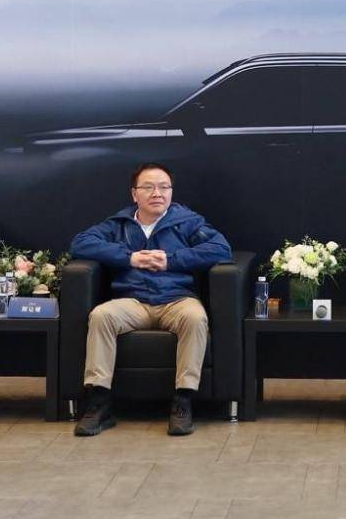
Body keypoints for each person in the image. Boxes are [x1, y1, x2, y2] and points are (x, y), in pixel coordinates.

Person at [71, 162, 231, 437]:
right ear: (135, 194)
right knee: (101, 316)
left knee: (195, 318)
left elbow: (220, 249)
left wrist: (171, 260)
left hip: (176, 298)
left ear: (171, 192)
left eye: (164, 187)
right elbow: (81, 243)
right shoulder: (119, 224)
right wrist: (129, 257)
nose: (157, 193)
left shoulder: (187, 222)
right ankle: (99, 402)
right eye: (148, 187)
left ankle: (183, 400)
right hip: (132, 300)